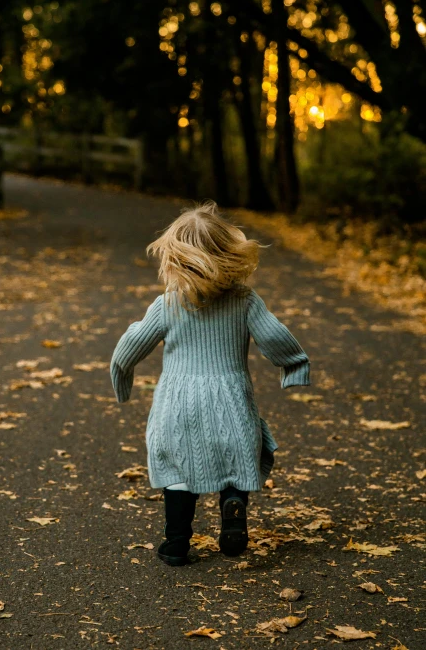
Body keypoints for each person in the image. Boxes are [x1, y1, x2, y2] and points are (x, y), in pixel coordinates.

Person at [110, 202, 310, 566]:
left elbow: (129, 348)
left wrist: (121, 378)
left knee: (178, 470)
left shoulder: (167, 304)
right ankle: (233, 504)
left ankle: (176, 543)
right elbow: (276, 337)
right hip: (231, 401)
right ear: (228, 253)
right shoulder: (244, 301)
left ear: (174, 258)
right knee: (235, 459)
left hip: (177, 405)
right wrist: (294, 368)